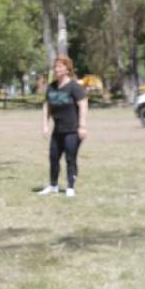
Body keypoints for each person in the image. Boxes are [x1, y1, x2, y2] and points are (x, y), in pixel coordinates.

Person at [39, 56, 87, 197]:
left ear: (67, 69)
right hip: (58, 130)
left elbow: (83, 105)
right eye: (56, 67)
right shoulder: (51, 87)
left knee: (70, 158)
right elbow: (46, 106)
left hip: (72, 130)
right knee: (53, 157)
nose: (57, 69)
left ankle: (70, 188)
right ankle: (53, 185)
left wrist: (82, 126)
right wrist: (45, 126)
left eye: (60, 66)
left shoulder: (74, 87)